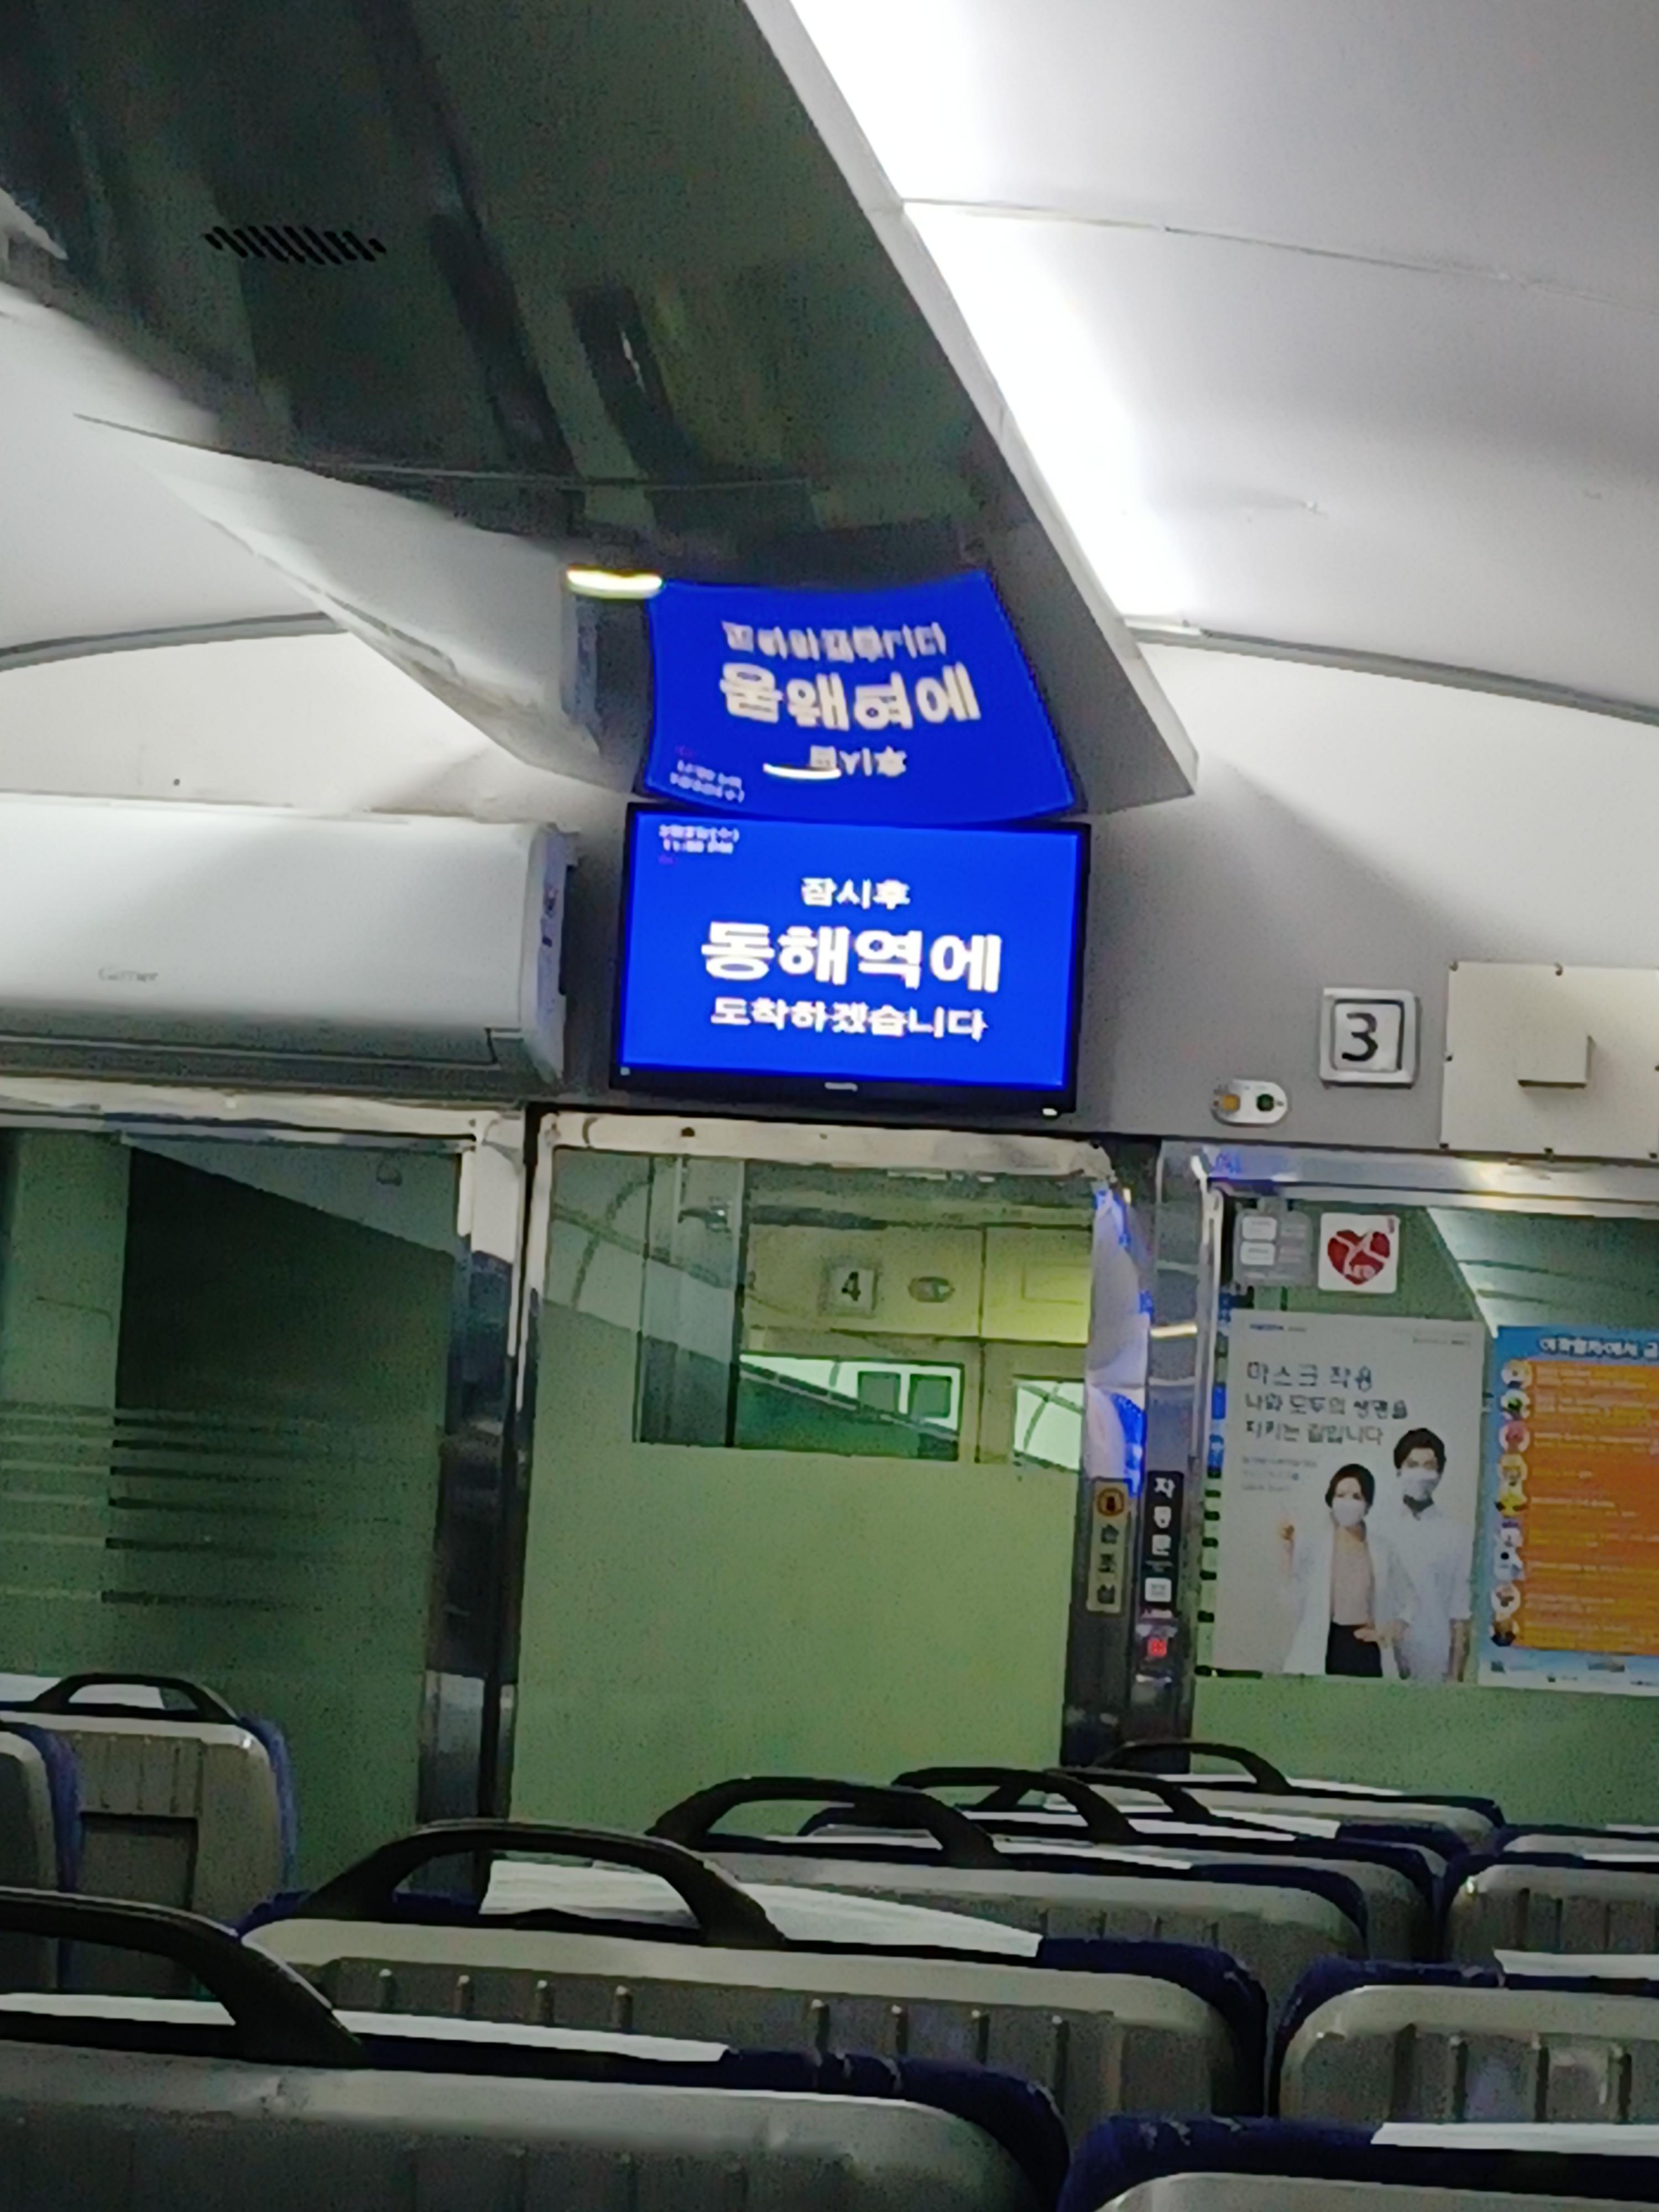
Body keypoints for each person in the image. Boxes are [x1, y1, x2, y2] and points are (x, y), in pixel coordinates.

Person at [1278, 1464, 1415, 1677]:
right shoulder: (1315, 1547)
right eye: (1341, 1495)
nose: (1348, 1503)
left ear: (1368, 1505)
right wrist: (1288, 1551)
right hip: (1324, 1648)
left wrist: (1394, 1629)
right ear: (1331, 1501)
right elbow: (1291, 1600)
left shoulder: (1384, 1550)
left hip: (1367, 1648)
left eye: (1356, 1497)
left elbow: (1411, 1600)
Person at [1382, 1426, 1473, 1684]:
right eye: (1412, 1465)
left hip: (1434, 1660)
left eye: (1428, 1466)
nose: (1420, 1474)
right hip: (1382, 1658)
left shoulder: (1457, 1535)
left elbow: (1460, 1612)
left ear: (1440, 1475)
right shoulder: (1379, 1528)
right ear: (1399, 1470)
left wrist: (1455, 1678)